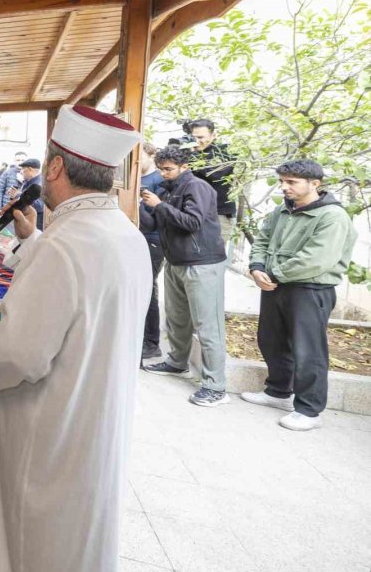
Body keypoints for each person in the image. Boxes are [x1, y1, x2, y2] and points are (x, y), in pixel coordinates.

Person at [0, 105, 149, 572]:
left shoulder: (63, 246)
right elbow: (84, 300)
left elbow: (16, 354)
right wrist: (31, 242)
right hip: (95, 428)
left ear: (54, 168)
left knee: (36, 551)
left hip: (51, 435)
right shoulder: (127, 237)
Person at [242, 160, 357, 431]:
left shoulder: (332, 216)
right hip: (275, 284)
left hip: (310, 289)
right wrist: (257, 267)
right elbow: (262, 239)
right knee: (271, 340)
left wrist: (275, 273)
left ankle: (309, 410)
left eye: (291, 182)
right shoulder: (282, 210)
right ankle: (278, 392)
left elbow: (317, 258)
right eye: (282, 181)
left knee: (309, 351)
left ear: (315, 184)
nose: (284, 187)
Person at [140, 146, 229, 407]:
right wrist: (144, 207)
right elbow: (154, 224)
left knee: (208, 326)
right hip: (176, 261)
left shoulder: (197, 187)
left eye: (169, 169)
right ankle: (178, 362)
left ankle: (216, 386)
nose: (164, 174)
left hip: (202, 263)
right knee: (178, 319)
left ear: (184, 167)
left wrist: (159, 205)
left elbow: (192, 222)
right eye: (161, 169)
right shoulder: (167, 189)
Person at [189, 119, 237, 242]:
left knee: (214, 255)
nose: (196, 141)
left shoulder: (225, 151)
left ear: (214, 135)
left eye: (200, 137)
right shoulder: (190, 152)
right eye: (194, 137)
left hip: (218, 213)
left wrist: (193, 157)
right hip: (193, 211)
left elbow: (217, 174)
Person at [138, 143, 165, 360]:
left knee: (149, 290)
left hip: (153, 241)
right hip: (138, 239)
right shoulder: (136, 179)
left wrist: (136, 203)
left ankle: (151, 342)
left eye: (139, 155)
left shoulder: (158, 181)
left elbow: (153, 221)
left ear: (150, 155)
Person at [8, 158, 44, 229]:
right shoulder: (27, 182)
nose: (21, 172)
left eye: (23, 169)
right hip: (26, 220)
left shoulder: (39, 184)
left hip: (35, 223)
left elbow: (39, 206)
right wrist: (13, 196)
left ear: (30, 169)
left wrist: (18, 195)